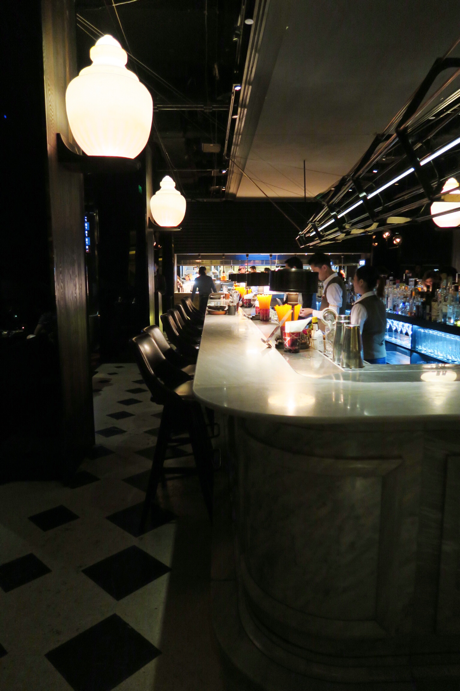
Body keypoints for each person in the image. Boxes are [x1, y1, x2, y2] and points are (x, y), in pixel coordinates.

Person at [350, 265, 387, 364]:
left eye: (354, 280)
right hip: (382, 356)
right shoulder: (380, 302)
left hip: (367, 359)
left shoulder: (360, 306)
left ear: (361, 282)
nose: (353, 283)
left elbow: (355, 337)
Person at [300, 252, 346, 322]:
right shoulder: (332, 282)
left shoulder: (333, 285)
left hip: (330, 328)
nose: (315, 275)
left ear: (324, 267)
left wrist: (311, 311)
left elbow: (333, 315)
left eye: (315, 271)